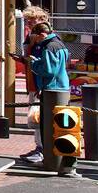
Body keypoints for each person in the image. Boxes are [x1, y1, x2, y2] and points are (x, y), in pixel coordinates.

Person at [22, 21, 70, 165]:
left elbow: (48, 71)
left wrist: (34, 63)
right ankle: (58, 155)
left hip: (51, 89)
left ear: (42, 35)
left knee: (47, 125)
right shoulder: (61, 45)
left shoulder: (48, 47)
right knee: (60, 124)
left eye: (36, 38)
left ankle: (47, 156)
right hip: (62, 87)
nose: (35, 41)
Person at [16, 6, 50, 164]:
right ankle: (39, 147)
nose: (28, 23)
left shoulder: (45, 38)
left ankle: (42, 149)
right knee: (35, 117)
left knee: (39, 116)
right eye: (27, 20)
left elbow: (47, 64)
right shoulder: (30, 36)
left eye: (32, 20)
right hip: (33, 82)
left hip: (41, 83)